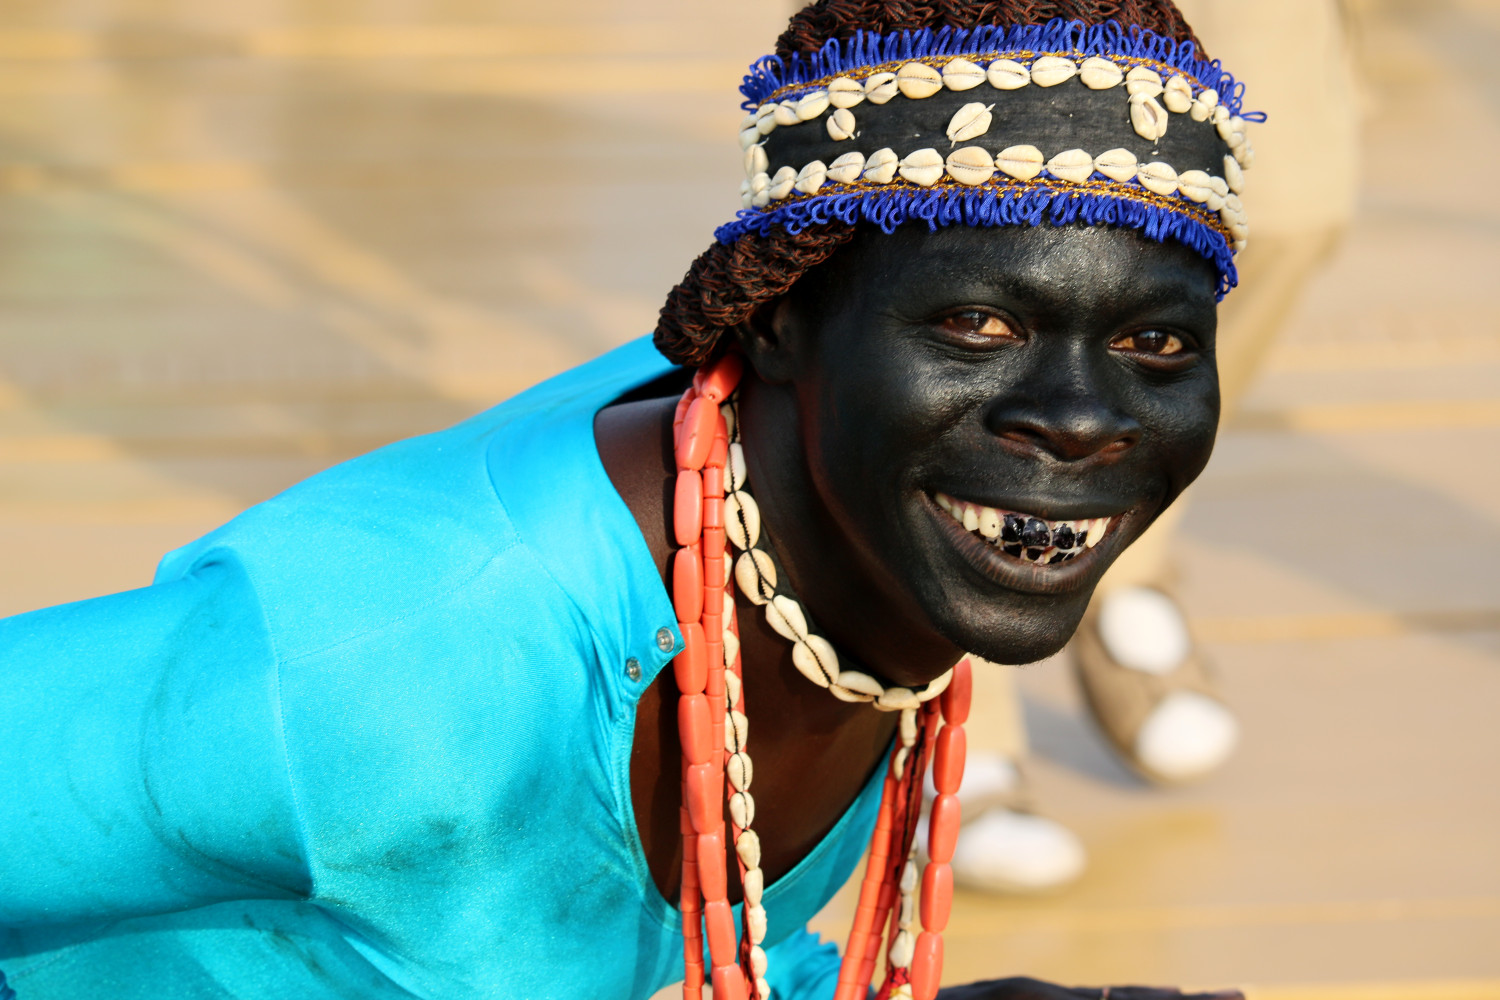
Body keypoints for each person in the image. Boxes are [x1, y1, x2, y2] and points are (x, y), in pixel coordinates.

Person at [0, 2, 1258, 998]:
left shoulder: (817, 547)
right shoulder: (402, 674)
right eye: (978, 323)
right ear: (777, 324)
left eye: (1156, 345)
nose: (1084, 417)